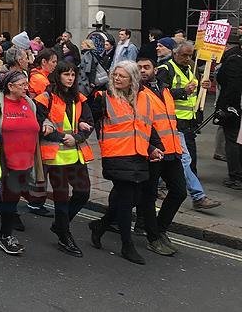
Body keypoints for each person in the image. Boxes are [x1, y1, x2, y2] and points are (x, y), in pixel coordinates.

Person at [88, 60, 162, 265]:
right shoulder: (104, 98)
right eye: (115, 75)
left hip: (139, 155)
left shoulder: (142, 99)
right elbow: (85, 117)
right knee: (127, 199)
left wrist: (154, 147)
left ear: (133, 79)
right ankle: (126, 244)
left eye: (122, 76)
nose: (117, 78)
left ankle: (101, 227)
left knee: (132, 198)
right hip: (117, 155)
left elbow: (148, 127)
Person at [34, 61, 94, 257]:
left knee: (83, 193)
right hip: (55, 154)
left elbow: (89, 123)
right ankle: (64, 236)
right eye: (66, 74)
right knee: (61, 197)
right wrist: (61, 137)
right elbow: (39, 125)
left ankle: (60, 225)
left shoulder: (79, 98)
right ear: (58, 75)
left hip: (75, 152)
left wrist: (77, 137)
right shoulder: (45, 98)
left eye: (73, 75)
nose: (70, 78)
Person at [0, 70, 40, 255]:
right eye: (22, 84)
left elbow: (42, 120)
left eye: (26, 84)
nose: (26, 87)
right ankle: (4, 236)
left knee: (22, 196)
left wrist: (49, 125)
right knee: (12, 199)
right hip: (5, 158)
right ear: (10, 86)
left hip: (27, 159)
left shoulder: (29, 102)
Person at [136, 57, 191, 256]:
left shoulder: (164, 89)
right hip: (152, 152)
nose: (142, 70)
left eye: (146, 67)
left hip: (172, 150)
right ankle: (153, 237)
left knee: (179, 192)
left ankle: (159, 229)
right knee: (148, 196)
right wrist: (150, 147)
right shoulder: (137, 92)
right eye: (139, 68)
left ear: (154, 69)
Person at [157, 40, 205, 174]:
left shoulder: (191, 69)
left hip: (189, 119)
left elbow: (195, 94)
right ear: (175, 53)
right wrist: (183, 91)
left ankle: (190, 179)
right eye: (184, 55)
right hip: (174, 119)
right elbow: (160, 96)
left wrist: (203, 86)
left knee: (190, 154)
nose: (188, 59)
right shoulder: (165, 69)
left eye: (190, 55)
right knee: (179, 155)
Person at [217, 37, 242, 190]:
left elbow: (232, 86)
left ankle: (236, 175)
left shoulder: (234, 60)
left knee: (232, 140)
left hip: (234, 107)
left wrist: (225, 106)